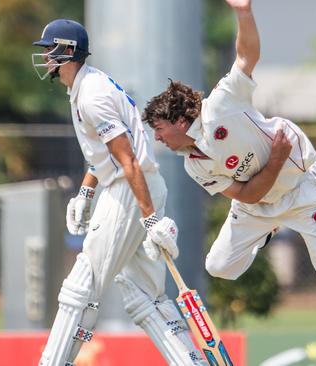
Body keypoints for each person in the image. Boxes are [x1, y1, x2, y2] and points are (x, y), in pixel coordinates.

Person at [142, 1, 316, 365]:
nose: (157, 138)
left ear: (177, 119)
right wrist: (275, 162)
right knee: (219, 266)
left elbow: (246, 55)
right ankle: (268, 230)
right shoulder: (193, 165)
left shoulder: (222, 104)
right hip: (258, 200)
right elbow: (248, 193)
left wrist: (243, 12)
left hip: (304, 192)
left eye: (158, 129)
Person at [31, 19, 207, 366]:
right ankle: (191, 362)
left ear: (68, 51)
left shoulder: (92, 95)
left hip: (130, 191)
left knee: (83, 283)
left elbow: (128, 161)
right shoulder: (86, 86)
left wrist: (150, 217)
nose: (46, 57)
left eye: (50, 50)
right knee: (144, 294)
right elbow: (105, 157)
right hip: (135, 187)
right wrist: (85, 193)